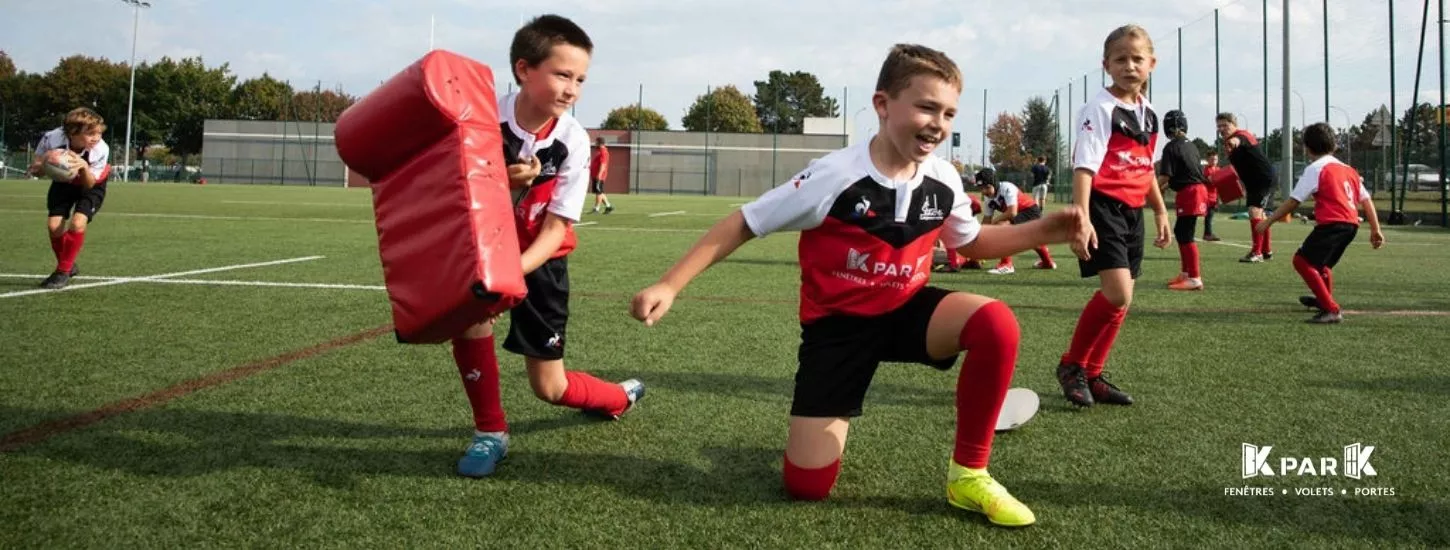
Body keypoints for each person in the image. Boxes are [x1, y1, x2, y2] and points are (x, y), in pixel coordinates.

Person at [631, 43, 1089, 527]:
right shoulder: (835, 176)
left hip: (908, 312)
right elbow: (745, 222)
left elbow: (971, 242)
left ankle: (969, 474)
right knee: (808, 488)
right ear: (882, 105)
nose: (938, 122)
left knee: (995, 323)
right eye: (926, 106)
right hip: (838, 331)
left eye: (949, 112)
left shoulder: (944, 179)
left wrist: (1046, 230)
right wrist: (670, 284)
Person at [450, 14, 645, 479]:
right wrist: (499, 178)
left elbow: (556, 229)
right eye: (562, 74)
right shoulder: (478, 121)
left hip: (541, 263)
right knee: (471, 322)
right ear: (524, 69)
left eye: (580, 79)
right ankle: (490, 432)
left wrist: (510, 279)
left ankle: (618, 397)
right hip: (484, 252)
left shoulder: (574, 141)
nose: (572, 88)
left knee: (549, 387)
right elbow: (451, 192)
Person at [1056, 24, 1169, 408]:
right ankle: (1071, 365)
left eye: (1137, 58)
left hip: (1133, 211)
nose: (1129, 65)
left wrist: (1159, 210)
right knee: (1117, 292)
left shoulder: (1150, 113)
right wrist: (1082, 218)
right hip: (1103, 207)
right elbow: (1084, 168)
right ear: (1106, 65)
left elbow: (1147, 167)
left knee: (1123, 300)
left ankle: (1093, 373)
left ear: (1151, 63)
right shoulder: (1099, 109)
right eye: (1121, 59)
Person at [1256, 122, 1384, 324]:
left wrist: (1269, 221)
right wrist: (1375, 230)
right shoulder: (1348, 169)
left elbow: (1293, 201)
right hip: (1351, 225)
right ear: (1333, 146)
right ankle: (1324, 300)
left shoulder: (1315, 169)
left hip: (1332, 224)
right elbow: (1366, 200)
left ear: (1307, 148)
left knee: (1301, 261)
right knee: (1322, 264)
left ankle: (1331, 309)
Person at [28, 107, 111, 290]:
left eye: (99, 132)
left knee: (78, 222)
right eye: (91, 133)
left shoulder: (100, 149)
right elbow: (37, 168)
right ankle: (68, 264)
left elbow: (89, 184)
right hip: (63, 182)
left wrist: (83, 167)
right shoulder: (52, 138)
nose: (97, 137)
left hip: (92, 183)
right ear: (73, 133)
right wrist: (45, 163)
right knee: (54, 225)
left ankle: (62, 272)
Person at [1157, 110, 1209, 291]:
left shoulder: (1171, 147)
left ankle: (1194, 278)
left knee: (1185, 234)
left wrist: (1152, 191)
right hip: (1196, 190)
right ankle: (1186, 274)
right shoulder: (1191, 145)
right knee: (1181, 231)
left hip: (1190, 192)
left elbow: (1164, 176)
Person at [1216, 113, 1275, 262]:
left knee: (1254, 212)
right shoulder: (1227, 142)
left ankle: (1257, 253)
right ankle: (1266, 250)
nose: (1221, 129)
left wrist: (1232, 142)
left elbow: (1238, 141)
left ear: (1234, 125)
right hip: (1254, 181)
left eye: (1225, 125)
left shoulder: (1242, 135)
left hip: (1262, 179)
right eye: (1219, 126)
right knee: (1260, 215)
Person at [975, 167, 1057, 274]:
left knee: (1001, 227)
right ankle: (1048, 263)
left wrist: (993, 224)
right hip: (1020, 214)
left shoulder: (1007, 188)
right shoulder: (988, 198)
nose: (984, 191)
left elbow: (1012, 212)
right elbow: (986, 220)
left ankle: (1006, 265)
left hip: (1031, 212)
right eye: (981, 188)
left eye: (986, 187)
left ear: (994, 183)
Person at [589, 137, 614, 214]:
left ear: (599, 143)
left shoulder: (603, 152)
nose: (595, 144)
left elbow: (603, 164)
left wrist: (599, 175)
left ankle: (596, 208)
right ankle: (608, 206)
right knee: (600, 191)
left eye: (596, 142)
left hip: (599, 176)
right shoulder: (600, 151)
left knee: (598, 191)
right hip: (596, 175)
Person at [1201, 151, 1223, 241]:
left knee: (1210, 216)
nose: (1214, 160)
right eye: (1212, 159)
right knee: (1209, 216)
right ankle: (1207, 234)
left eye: (1216, 159)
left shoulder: (1218, 169)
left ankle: (1208, 233)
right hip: (1207, 197)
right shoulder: (1207, 169)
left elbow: (1219, 185)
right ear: (1208, 160)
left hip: (1214, 197)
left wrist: (1219, 198)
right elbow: (1210, 181)